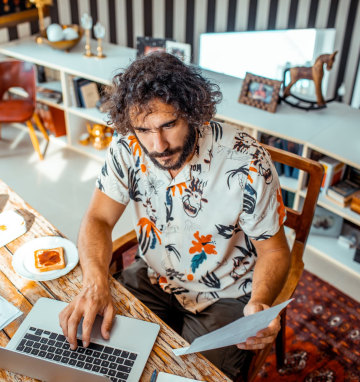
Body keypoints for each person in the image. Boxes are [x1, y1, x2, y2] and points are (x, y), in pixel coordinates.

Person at [59, 52, 290, 380]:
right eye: (144, 129)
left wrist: (261, 300)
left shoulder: (247, 162)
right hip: (153, 277)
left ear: (192, 111)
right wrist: (95, 282)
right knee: (95, 354)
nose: (158, 145)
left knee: (192, 376)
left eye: (169, 124)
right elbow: (98, 218)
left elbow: (275, 250)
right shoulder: (128, 149)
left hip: (225, 293)